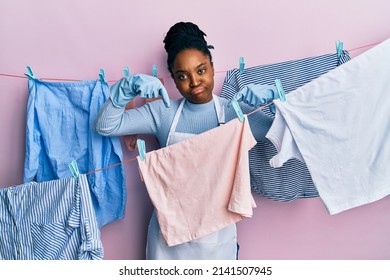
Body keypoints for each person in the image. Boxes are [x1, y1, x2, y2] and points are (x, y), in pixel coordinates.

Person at [94, 22, 279, 260]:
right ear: (173, 78)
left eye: (201, 70)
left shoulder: (236, 114)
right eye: (183, 76)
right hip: (167, 243)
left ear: (212, 67)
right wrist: (126, 90)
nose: (194, 83)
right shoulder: (163, 113)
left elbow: (287, 133)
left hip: (217, 242)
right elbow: (105, 126)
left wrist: (276, 98)